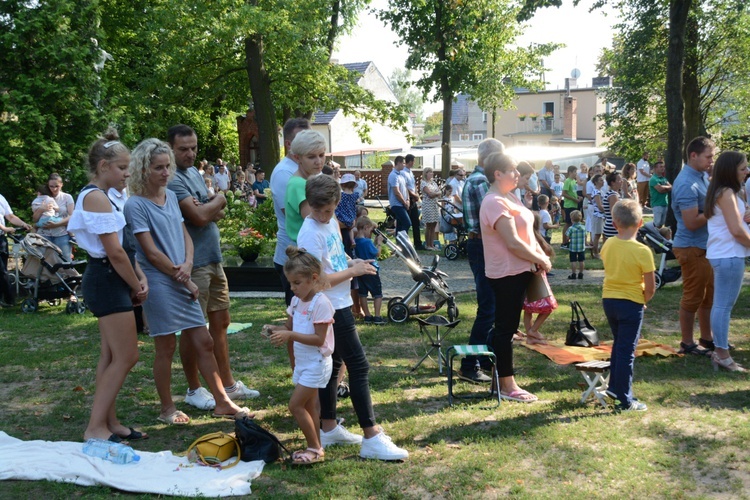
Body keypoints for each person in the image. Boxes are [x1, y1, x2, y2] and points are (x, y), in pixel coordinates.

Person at [126, 138, 252, 423]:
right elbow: (149, 251)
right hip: (160, 282)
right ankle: (167, 408)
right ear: (143, 169)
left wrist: (188, 265)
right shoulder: (135, 205)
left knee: (204, 341)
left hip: (181, 274)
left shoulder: (170, 196)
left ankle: (222, 401)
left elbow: (184, 235)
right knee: (166, 347)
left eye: (167, 166)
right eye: (158, 167)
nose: (164, 172)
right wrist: (180, 274)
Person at [296, 174, 409, 461]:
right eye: (319, 210)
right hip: (330, 308)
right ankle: (371, 436)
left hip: (340, 302)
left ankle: (329, 427)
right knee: (359, 366)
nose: (324, 215)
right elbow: (316, 281)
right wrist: (353, 272)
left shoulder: (330, 222)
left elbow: (335, 256)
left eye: (330, 210)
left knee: (336, 365)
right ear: (309, 204)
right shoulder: (310, 233)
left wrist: (352, 262)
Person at [167, 124, 260, 412]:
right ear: (170, 149)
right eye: (183, 149)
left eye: (193, 148)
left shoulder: (193, 173)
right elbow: (198, 215)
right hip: (191, 263)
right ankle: (194, 389)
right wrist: (219, 198)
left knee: (221, 323)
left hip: (214, 257)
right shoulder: (171, 179)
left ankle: (228, 384)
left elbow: (212, 213)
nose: (190, 154)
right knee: (194, 329)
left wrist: (210, 206)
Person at [66, 129, 149, 442]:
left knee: (111, 357)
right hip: (106, 279)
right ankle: (94, 427)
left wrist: (138, 275)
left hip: (112, 277)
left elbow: (124, 248)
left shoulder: (108, 196)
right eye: (121, 168)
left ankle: (109, 422)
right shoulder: (96, 197)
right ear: (103, 167)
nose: (127, 173)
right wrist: (136, 284)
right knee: (127, 356)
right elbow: (113, 252)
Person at [480, 152, 551, 402]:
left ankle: (499, 378)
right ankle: (508, 386)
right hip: (507, 272)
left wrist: (538, 253)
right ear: (497, 174)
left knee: (506, 328)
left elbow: (525, 230)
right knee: (506, 330)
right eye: (512, 170)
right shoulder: (494, 202)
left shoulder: (508, 196)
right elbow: (512, 242)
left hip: (520, 270)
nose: (518, 174)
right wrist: (540, 259)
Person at [266, 247, 335, 464]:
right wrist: (274, 329)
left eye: (297, 283)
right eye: (290, 283)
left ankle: (314, 448)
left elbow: (318, 339)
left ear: (313, 278)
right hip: (303, 362)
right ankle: (316, 445)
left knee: (295, 405)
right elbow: (288, 326)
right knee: (309, 406)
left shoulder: (321, 303)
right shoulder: (296, 301)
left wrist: (289, 334)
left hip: (316, 362)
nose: (293, 288)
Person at [601, 199, 655, 411]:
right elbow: (650, 287)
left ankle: (615, 387)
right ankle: (624, 398)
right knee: (626, 350)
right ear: (641, 223)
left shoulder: (608, 244)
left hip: (609, 300)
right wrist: (643, 300)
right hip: (631, 302)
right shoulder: (643, 251)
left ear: (614, 223)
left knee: (619, 344)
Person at [459, 138, 505, 383]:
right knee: (488, 307)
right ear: (487, 159)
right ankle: (470, 364)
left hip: (483, 245)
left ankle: (486, 357)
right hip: (482, 245)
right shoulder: (480, 182)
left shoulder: (480, 180)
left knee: (492, 306)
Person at [703, 151, 749, 372]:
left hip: (724, 253)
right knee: (723, 306)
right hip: (729, 254)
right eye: (743, 169)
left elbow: (737, 223)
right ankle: (722, 353)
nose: (747, 172)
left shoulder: (723, 191)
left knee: (722, 305)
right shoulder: (727, 192)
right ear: (730, 170)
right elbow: (736, 230)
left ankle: (720, 351)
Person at [672, 136, 716, 357]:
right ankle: (687, 342)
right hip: (691, 247)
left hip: (705, 247)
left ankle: (707, 338)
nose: (711, 160)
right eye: (708, 156)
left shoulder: (701, 177)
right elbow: (691, 222)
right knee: (693, 296)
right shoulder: (686, 183)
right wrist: (716, 208)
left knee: (708, 296)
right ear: (693, 155)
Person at [270, 118, 311, 306]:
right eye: (301, 139)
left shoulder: (305, 168)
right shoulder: (284, 173)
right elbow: (296, 216)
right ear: (288, 144)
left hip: (307, 251)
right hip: (292, 254)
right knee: (298, 314)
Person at [286, 130, 326, 244]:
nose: (318, 161)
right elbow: (318, 221)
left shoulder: (308, 180)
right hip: (309, 251)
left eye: (321, 155)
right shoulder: (299, 184)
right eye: (311, 157)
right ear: (297, 158)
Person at [523, 212, 558, 344]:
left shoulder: (528, 238)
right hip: (537, 278)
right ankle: (532, 331)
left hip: (528, 277)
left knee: (528, 309)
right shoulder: (536, 239)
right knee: (547, 306)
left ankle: (530, 335)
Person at [31, 173, 75, 260]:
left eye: (56, 186)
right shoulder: (42, 197)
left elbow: (72, 216)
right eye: (51, 186)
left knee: (65, 260)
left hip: (61, 234)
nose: (54, 189)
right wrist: (41, 209)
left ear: (61, 185)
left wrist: (56, 224)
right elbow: (35, 219)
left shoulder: (67, 197)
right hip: (44, 234)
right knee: (43, 262)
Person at [0, 194, 33, 306]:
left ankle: (6, 299)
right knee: (1, 270)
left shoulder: (1, 198)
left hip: (1, 239)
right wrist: (4, 228)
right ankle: (9, 299)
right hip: (2, 232)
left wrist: (24, 224)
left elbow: (10, 216)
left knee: (3, 270)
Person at [354, 216, 385, 324]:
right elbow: (377, 253)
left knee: (363, 293)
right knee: (377, 294)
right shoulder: (367, 242)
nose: (371, 233)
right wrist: (379, 242)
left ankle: (367, 315)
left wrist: (374, 242)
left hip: (361, 270)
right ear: (366, 227)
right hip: (371, 269)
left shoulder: (355, 241)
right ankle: (377, 316)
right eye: (371, 230)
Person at [336, 173, 358, 255]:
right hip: (351, 215)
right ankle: (352, 240)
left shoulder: (341, 195)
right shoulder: (354, 195)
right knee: (351, 228)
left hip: (342, 216)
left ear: (342, 185)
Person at [403, 154, 422, 249]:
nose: (414, 163)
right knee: (406, 222)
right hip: (408, 198)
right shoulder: (403, 172)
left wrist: (417, 194)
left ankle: (418, 243)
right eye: (413, 161)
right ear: (410, 161)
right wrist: (413, 195)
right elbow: (405, 187)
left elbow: (414, 185)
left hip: (414, 198)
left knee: (416, 222)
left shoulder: (410, 172)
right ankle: (404, 244)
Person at [387, 156, 411, 235]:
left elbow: (405, 188)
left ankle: (399, 244)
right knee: (407, 223)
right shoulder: (393, 175)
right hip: (397, 204)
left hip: (403, 203)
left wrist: (407, 200)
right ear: (399, 163)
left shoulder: (401, 175)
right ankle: (403, 241)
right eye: (403, 163)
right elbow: (396, 192)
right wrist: (404, 202)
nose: (404, 165)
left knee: (400, 225)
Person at [420, 167, 441, 250]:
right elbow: (430, 194)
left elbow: (439, 192)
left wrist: (436, 193)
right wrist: (436, 193)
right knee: (429, 225)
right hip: (427, 205)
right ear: (426, 173)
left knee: (434, 225)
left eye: (432, 172)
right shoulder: (424, 183)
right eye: (430, 172)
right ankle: (428, 244)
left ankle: (432, 244)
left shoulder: (433, 183)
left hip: (434, 205)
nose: (432, 174)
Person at [561, 165, 581, 248]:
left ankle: (569, 241)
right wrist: (574, 199)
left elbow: (573, 192)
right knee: (568, 223)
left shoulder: (574, 181)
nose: (576, 174)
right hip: (569, 205)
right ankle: (564, 242)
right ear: (570, 172)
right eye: (575, 172)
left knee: (572, 223)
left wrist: (578, 197)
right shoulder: (567, 181)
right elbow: (564, 193)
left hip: (574, 204)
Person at [649, 161, 671, 228]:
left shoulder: (664, 179)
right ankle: (653, 235)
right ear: (655, 168)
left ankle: (659, 236)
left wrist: (663, 188)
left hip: (665, 203)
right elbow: (660, 190)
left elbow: (671, 187)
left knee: (662, 223)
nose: (663, 168)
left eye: (663, 167)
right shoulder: (653, 179)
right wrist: (666, 189)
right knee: (657, 223)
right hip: (657, 204)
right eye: (661, 167)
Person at [589, 174, 606, 258]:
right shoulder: (596, 192)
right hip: (597, 215)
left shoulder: (601, 191)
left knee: (601, 234)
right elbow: (599, 205)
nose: (603, 182)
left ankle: (600, 251)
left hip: (601, 215)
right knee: (597, 234)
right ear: (596, 182)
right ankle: (595, 253)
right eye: (601, 180)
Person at [602, 172, 622, 241]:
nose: (621, 181)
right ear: (613, 182)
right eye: (619, 180)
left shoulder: (612, 193)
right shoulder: (613, 195)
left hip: (611, 225)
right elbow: (615, 213)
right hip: (613, 227)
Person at [566, 210, 586, 279]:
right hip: (581, 247)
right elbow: (585, 236)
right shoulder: (583, 228)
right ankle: (581, 273)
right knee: (581, 260)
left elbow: (567, 237)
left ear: (571, 219)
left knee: (573, 260)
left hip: (573, 247)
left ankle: (573, 273)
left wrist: (567, 240)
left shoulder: (571, 228)